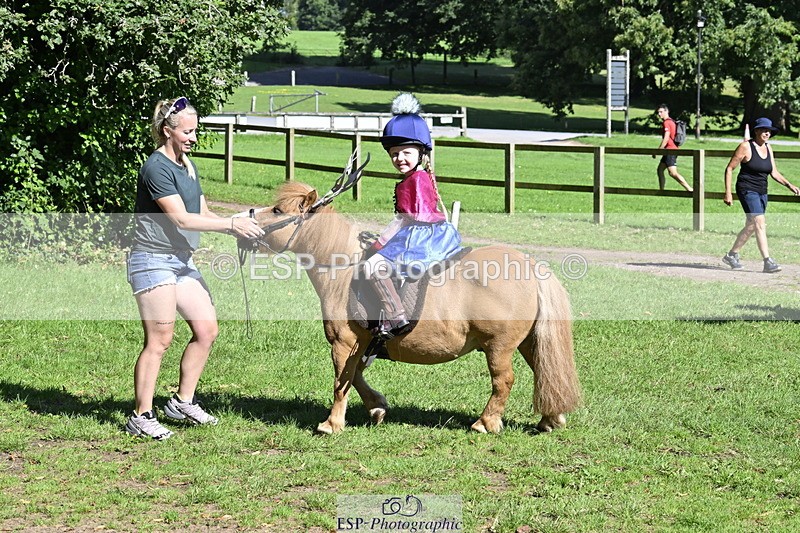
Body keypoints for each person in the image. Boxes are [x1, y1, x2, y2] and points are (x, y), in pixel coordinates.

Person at [125, 96, 264, 440]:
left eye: (195, 131)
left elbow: (202, 214)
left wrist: (241, 220)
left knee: (206, 329)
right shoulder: (156, 168)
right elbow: (181, 218)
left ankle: (181, 402)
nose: (193, 138)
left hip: (181, 261)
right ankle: (141, 415)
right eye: (187, 132)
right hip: (152, 259)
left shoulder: (187, 164)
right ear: (167, 130)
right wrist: (231, 226)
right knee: (160, 339)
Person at [363, 93, 463, 339]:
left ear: (421, 153)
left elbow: (405, 220)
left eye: (406, 152)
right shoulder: (417, 177)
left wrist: (378, 244)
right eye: (394, 154)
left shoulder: (415, 181)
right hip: (424, 232)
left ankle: (396, 318)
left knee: (372, 265)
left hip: (418, 238)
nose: (399, 159)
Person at [722, 117, 799, 273]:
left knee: (752, 225)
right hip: (746, 189)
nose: (767, 133)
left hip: (762, 190)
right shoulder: (745, 147)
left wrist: (789, 185)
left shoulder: (768, 148)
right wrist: (728, 193)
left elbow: (773, 172)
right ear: (756, 131)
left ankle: (732, 254)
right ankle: (767, 261)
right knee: (759, 222)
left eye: (769, 130)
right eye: (763, 130)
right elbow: (729, 168)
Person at [654, 104, 693, 192]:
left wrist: (658, 150)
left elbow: (666, 138)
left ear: (666, 112)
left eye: (661, 112)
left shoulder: (667, 122)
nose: (659, 114)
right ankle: (662, 190)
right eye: (658, 112)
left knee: (673, 173)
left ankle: (689, 188)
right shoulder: (671, 121)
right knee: (660, 170)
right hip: (670, 150)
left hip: (670, 150)